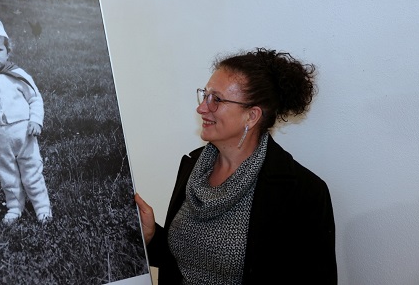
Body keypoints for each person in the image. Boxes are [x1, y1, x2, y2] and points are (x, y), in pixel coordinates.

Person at [135, 48, 336, 284]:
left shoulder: (302, 192)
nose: (202, 108)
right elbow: (185, 261)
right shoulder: (193, 167)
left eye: (217, 99)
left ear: (251, 116)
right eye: (205, 95)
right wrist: (151, 237)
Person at [0, 15, 52, 224]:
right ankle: (14, 207)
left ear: (8, 51)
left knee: (32, 170)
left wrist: (36, 121)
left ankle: (42, 207)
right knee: (7, 174)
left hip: (24, 133)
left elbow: (35, 98)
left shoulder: (18, 75)